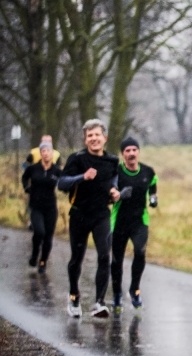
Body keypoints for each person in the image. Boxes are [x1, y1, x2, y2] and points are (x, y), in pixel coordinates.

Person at [58, 119, 121, 318]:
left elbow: (114, 180)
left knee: (105, 256)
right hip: (79, 214)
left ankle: (99, 303)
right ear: (85, 140)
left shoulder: (112, 161)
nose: (94, 139)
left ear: (105, 138)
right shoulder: (77, 159)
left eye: (97, 135)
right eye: (90, 136)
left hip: (102, 214)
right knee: (77, 258)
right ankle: (74, 296)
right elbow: (62, 183)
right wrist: (82, 177)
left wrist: (115, 191)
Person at [110, 136, 158, 313]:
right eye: (127, 151)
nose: (131, 153)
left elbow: (153, 188)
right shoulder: (116, 172)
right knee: (117, 261)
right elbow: (109, 194)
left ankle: (135, 290)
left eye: (134, 150)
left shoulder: (148, 172)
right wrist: (120, 194)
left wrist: (153, 200)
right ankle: (116, 295)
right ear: (123, 155)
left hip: (140, 221)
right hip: (119, 221)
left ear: (138, 152)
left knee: (140, 251)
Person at [21, 140, 62, 273]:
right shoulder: (33, 168)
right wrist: (27, 187)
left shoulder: (56, 170)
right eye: (43, 151)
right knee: (39, 232)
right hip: (36, 206)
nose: (46, 153)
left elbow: (65, 182)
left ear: (52, 153)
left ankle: (43, 261)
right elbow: (24, 177)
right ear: (40, 153)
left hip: (50, 207)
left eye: (48, 151)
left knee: (48, 236)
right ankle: (34, 254)